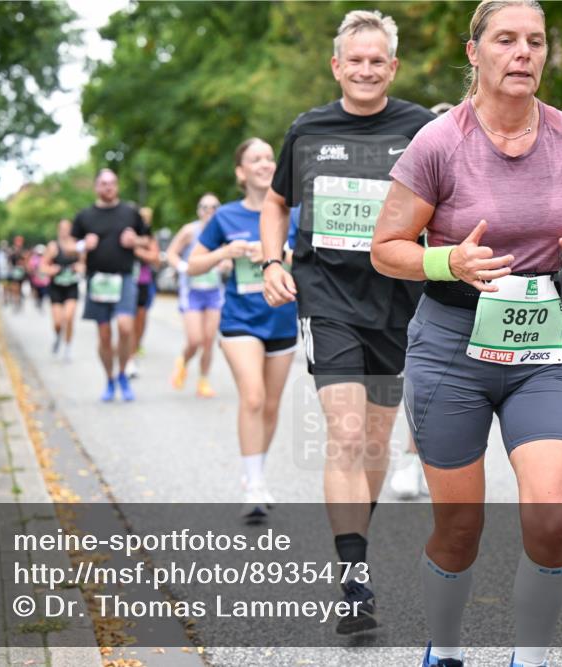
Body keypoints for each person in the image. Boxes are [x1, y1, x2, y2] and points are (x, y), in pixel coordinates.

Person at [369, 2, 562, 665]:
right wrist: (448, 259)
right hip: (451, 343)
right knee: (460, 527)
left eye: (535, 40)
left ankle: (527, 658)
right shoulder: (439, 142)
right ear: (474, 52)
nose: (522, 52)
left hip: (539, 348)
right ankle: (443, 650)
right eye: (506, 39)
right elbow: (385, 247)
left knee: (554, 516)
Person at [260, 9, 436, 635]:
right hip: (327, 297)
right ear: (336, 66)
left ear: (392, 66)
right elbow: (277, 202)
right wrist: (270, 260)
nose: (365, 69)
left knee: (375, 443)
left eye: (376, 60)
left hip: (397, 303)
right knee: (346, 429)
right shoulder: (307, 131)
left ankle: (355, 552)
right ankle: (354, 576)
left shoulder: (421, 128)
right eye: (353, 60)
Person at [188, 138, 298, 522]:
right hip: (240, 320)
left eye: (270, 158)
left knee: (269, 406)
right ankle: (252, 485)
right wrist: (227, 252)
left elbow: (307, 259)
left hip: (282, 318)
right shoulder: (225, 217)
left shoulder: (292, 213)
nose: (265, 164)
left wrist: (275, 255)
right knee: (252, 397)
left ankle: (256, 472)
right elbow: (193, 266)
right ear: (241, 172)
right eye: (256, 159)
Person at [390, 102, 455, 501]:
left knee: (445, 387)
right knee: (419, 382)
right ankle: (411, 459)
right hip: (411, 288)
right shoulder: (413, 172)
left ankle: (425, 460)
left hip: (467, 294)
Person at [71, 168, 152, 402]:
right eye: (104, 183)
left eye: (112, 183)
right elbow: (68, 244)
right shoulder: (85, 216)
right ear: (96, 186)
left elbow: (148, 239)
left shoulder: (130, 213)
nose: (108, 187)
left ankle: (123, 372)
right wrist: (82, 245)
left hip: (124, 278)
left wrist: (135, 240)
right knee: (105, 335)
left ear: (117, 186)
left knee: (126, 327)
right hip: (98, 280)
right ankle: (109, 379)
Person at [166, 193, 225, 397]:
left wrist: (226, 264)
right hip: (192, 292)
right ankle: (182, 361)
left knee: (209, 340)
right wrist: (183, 266)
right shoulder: (190, 231)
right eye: (204, 207)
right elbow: (171, 253)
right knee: (195, 340)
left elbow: (229, 259)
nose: (209, 211)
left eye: (214, 207)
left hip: (213, 292)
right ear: (198, 210)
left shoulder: (224, 231)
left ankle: (203, 381)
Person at [125, 206, 162, 379]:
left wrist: (137, 249)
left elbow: (155, 259)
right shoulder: (124, 232)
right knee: (127, 321)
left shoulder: (148, 236)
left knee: (140, 319)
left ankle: (136, 346)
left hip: (143, 282)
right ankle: (129, 358)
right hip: (126, 282)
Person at [42, 219, 84, 361]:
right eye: (62, 228)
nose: (65, 231)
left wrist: (80, 268)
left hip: (71, 286)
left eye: (67, 228)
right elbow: (42, 267)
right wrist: (51, 270)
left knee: (69, 317)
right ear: (58, 230)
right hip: (56, 288)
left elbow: (84, 264)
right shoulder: (53, 247)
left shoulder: (77, 247)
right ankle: (58, 336)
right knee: (58, 322)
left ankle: (68, 348)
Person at [7, 236, 28, 310]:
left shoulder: (23, 250)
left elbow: (26, 260)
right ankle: (15, 300)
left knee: (20, 286)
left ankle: (18, 300)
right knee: (14, 286)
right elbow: (9, 260)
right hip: (14, 271)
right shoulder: (12, 250)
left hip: (21, 271)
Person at [28, 245, 50, 311]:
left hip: (44, 279)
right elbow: (31, 267)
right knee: (37, 291)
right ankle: (37, 301)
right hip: (36, 278)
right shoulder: (33, 258)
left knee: (43, 292)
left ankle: (41, 302)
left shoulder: (46, 258)